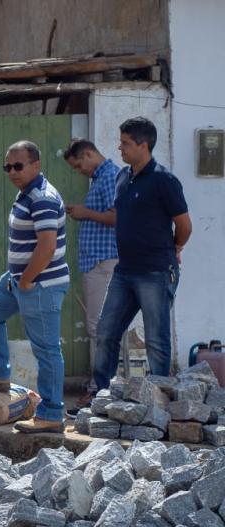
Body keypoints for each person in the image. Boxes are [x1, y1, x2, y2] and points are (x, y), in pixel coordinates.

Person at [0, 141, 70, 434]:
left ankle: (52, 412)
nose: (12, 171)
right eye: (7, 167)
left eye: (18, 166)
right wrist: (16, 277)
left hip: (39, 285)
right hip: (19, 281)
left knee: (46, 350)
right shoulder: (27, 194)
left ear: (36, 165)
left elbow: (47, 245)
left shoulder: (42, 198)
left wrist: (27, 279)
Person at [93, 117, 192, 390]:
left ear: (143, 145)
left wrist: (176, 247)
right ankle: (101, 395)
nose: (119, 148)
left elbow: (184, 225)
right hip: (124, 271)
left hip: (156, 273)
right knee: (105, 333)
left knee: (156, 342)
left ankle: (161, 400)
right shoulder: (122, 177)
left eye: (125, 143)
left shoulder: (164, 180)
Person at [63, 138, 120, 409]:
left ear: (88, 154)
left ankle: (100, 388)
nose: (79, 171)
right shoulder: (101, 177)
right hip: (96, 262)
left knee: (100, 327)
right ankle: (102, 386)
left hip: (103, 261)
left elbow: (117, 216)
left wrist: (85, 213)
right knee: (98, 326)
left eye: (78, 166)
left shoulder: (109, 176)